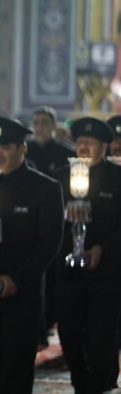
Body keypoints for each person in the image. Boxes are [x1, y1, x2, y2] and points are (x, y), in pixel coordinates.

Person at [0, 117, 64, 394]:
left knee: (16, 374)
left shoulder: (45, 188)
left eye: (5, 147)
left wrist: (16, 280)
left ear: (22, 148)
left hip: (22, 296)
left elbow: (48, 244)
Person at [55, 117, 121, 394]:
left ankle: (99, 385)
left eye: (90, 143)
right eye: (80, 142)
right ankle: (80, 381)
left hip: (106, 273)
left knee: (101, 338)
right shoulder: (60, 177)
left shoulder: (117, 178)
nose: (83, 147)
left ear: (104, 146)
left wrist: (102, 249)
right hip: (69, 272)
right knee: (69, 334)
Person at [25, 105, 74, 347]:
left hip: (58, 224)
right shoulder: (25, 151)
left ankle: (50, 321)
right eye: (37, 122)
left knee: (53, 277)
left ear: (54, 126)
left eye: (45, 123)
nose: (40, 127)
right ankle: (36, 326)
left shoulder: (65, 153)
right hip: (28, 223)